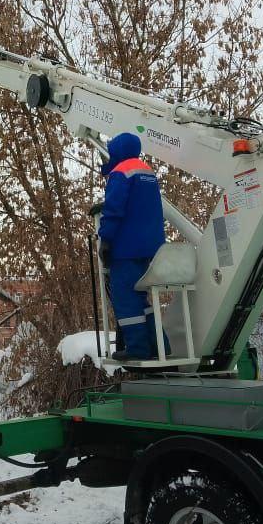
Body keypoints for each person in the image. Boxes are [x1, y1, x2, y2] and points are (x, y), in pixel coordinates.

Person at [98, 132, 170, 361]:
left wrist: (106, 239)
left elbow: (114, 209)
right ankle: (160, 346)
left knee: (126, 298)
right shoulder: (147, 172)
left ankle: (138, 349)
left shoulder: (120, 173)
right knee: (142, 300)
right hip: (150, 249)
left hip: (126, 248)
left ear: (117, 150)